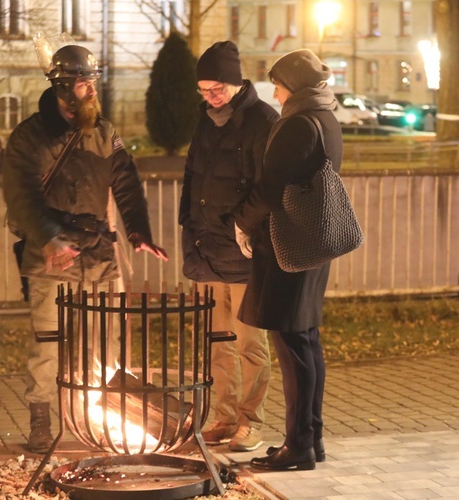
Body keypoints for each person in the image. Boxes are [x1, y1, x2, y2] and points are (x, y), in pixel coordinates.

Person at [2, 44, 168, 453]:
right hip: (51, 258)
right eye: (82, 82)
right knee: (47, 343)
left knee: (104, 344)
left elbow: (125, 181)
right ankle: (41, 419)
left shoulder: (105, 132)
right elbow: (20, 196)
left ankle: (100, 416)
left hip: (99, 256)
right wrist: (50, 239)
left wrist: (138, 232)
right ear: (62, 88)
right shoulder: (29, 137)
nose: (91, 89)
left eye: (93, 80)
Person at [232, 49, 341, 471]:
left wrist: (240, 221)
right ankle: (310, 439)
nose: (274, 91)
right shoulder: (326, 117)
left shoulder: (297, 123)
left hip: (288, 248)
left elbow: (272, 188)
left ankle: (298, 446)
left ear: (293, 84)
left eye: (278, 83)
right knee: (306, 343)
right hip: (312, 245)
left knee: (293, 347)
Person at [179, 41, 278, 452]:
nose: (210, 97)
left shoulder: (262, 121)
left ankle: (250, 422)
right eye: (203, 90)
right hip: (207, 251)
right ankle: (223, 416)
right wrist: (188, 225)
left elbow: (268, 186)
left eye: (216, 88)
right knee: (217, 343)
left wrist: (243, 224)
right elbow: (193, 176)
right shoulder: (206, 120)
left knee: (250, 344)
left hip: (244, 254)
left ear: (235, 83)